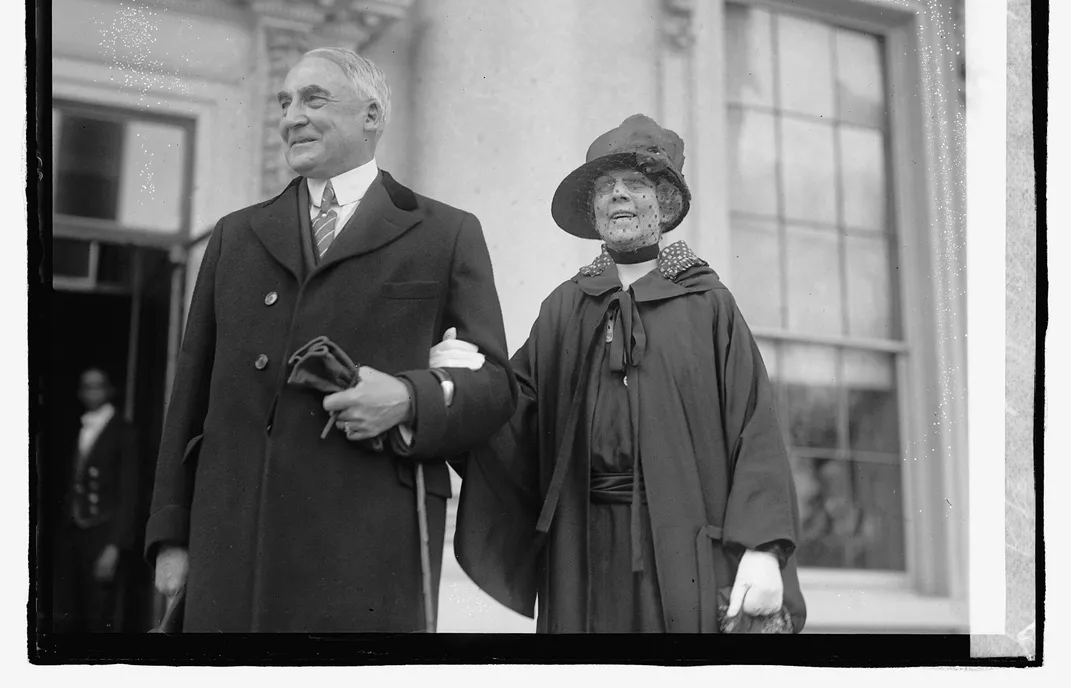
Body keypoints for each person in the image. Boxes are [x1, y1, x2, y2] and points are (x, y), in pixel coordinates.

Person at [146, 47, 516, 632]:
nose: (292, 115)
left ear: (371, 116)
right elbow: (189, 395)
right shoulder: (236, 236)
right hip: (236, 534)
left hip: (370, 536)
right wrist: (170, 535)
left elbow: (494, 386)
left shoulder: (445, 232)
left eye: (314, 99)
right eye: (285, 102)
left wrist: (409, 396)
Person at [449, 114, 807, 633]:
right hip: (581, 547)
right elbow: (513, 416)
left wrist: (762, 548)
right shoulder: (564, 308)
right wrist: (465, 388)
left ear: (663, 203)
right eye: (605, 189)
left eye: (634, 185)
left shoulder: (708, 305)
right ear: (593, 211)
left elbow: (755, 429)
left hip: (682, 545)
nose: (618, 196)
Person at [53, 368, 137, 633]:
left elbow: (130, 493)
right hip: (74, 534)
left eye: (98, 385)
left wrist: (114, 546)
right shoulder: (76, 427)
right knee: (69, 613)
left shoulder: (124, 432)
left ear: (110, 389)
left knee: (100, 616)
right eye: (86, 386)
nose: (92, 392)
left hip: (104, 534)